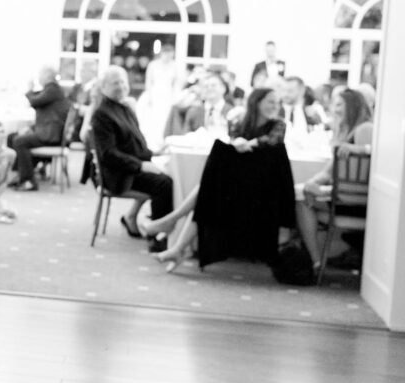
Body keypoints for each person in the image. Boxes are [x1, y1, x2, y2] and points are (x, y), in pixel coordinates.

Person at [146, 87, 288, 272]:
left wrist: (248, 144)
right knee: (208, 196)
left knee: (207, 191)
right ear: (257, 102)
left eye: (277, 103)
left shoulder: (278, 125)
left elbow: (271, 141)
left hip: (261, 192)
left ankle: (172, 226)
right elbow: (233, 149)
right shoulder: (239, 122)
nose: (275, 106)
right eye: (270, 101)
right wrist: (237, 144)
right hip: (235, 186)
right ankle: (177, 246)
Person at [91, 65, 173, 253]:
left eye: (123, 81)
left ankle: (154, 225)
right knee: (164, 185)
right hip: (118, 174)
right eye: (115, 83)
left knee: (170, 174)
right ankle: (157, 237)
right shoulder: (102, 114)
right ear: (103, 87)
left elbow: (136, 145)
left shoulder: (125, 108)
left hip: (130, 168)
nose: (120, 86)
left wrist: (156, 155)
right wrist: (141, 166)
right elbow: (108, 155)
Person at [296, 88, 374, 267]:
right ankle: (314, 259)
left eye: (339, 104)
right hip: (345, 197)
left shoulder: (365, 129)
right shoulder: (348, 132)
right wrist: (312, 184)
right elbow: (328, 172)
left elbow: (362, 178)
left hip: (355, 202)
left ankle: (315, 260)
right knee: (300, 192)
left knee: (301, 200)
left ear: (352, 105)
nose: (334, 109)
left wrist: (324, 190)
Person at [7, 65, 70, 191]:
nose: (38, 78)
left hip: (50, 135)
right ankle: (19, 174)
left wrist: (29, 89)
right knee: (12, 136)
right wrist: (31, 128)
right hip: (48, 131)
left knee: (19, 141)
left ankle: (28, 180)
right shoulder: (52, 89)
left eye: (40, 75)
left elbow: (35, 101)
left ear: (47, 76)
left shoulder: (52, 89)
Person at [136, 42, 184, 148]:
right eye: (167, 54)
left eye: (171, 55)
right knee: (153, 118)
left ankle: (163, 141)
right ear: (162, 53)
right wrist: (149, 95)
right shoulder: (153, 65)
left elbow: (176, 83)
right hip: (155, 93)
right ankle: (151, 143)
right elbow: (148, 81)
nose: (169, 57)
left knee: (165, 118)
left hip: (167, 94)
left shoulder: (175, 66)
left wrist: (175, 96)